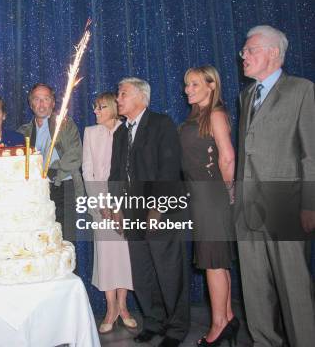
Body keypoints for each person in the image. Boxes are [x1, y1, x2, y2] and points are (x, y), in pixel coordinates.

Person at [235, 25, 315, 347]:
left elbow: (311, 152)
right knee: (254, 290)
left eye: (250, 50)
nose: (244, 56)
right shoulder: (246, 95)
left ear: (273, 53)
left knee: (293, 288)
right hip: (247, 207)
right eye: (244, 51)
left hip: (286, 205)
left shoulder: (302, 90)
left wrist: (310, 203)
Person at [108, 77, 190, 347]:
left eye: (123, 94)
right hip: (132, 213)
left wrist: (157, 207)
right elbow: (116, 175)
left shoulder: (161, 124)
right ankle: (154, 322)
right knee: (142, 273)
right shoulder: (120, 132)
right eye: (119, 94)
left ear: (141, 97)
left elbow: (168, 169)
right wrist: (117, 207)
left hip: (160, 211)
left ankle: (177, 328)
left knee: (168, 270)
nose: (118, 98)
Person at [179, 66, 237, 346]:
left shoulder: (214, 113)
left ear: (211, 85)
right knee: (218, 261)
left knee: (213, 263)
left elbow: (227, 158)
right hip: (202, 197)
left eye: (194, 84)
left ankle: (218, 325)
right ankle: (227, 316)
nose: (187, 89)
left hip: (211, 197)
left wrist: (228, 195)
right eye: (186, 85)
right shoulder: (196, 116)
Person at [82, 92, 136, 334]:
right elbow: (87, 171)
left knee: (125, 257)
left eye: (101, 107)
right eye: (95, 107)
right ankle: (110, 308)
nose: (96, 111)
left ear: (114, 107)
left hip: (124, 204)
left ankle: (123, 307)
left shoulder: (128, 130)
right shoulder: (90, 133)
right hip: (100, 205)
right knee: (106, 257)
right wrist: (99, 203)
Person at [18, 83, 84, 240]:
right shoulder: (23, 132)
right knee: (40, 242)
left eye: (46, 99)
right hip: (35, 194)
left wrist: (56, 173)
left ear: (53, 103)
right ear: (31, 103)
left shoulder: (65, 124)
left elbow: (75, 156)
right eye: (37, 99)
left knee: (65, 243)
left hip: (63, 188)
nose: (41, 104)